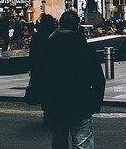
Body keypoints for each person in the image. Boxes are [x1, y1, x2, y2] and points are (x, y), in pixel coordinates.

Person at [39, 9, 105, 148]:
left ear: (60, 25)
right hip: (80, 105)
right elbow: (98, 79)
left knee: (59, 143)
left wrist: (45, 103)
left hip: (55, 105)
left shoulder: (47, 49)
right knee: (83, 144)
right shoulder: (85, 49)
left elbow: (40, 77)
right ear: (77, 26)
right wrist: (96, 103)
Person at [27, 14, 56, 119]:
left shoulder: (37, 36)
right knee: (52, 90)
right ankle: (51, 110)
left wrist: (32, 68)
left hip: (40, 68)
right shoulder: (55, 35)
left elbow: (33, 53)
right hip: (53, 68)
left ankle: (46, 111)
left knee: (44, 90)